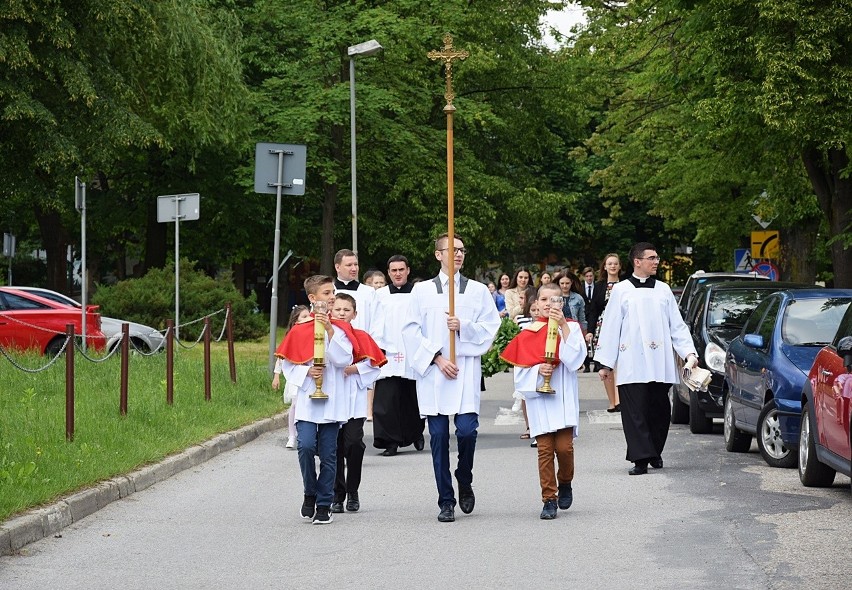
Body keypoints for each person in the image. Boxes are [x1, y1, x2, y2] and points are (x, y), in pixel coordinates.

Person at [402, 233, 500, 523]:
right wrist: (436, 358)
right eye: (451, 250)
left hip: (465, 371)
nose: (458, 254)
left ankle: (464, 476)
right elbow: (410, 330)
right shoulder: (421, 291)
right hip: (434, 374)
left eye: (461, 250)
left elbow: (491, 326)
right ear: (437, 255)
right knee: (439, 437)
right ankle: (446, 500)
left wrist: (464, 327)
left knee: (467, 431)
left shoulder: (478, 291)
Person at [593, 243, 698, 476]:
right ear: (637, 261)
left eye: (657, 257)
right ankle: (640, 458)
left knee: (660, 410)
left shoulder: (663, 290)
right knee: (635, 411)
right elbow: (611, 326)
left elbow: (676, 325)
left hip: (659, 361)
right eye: (651, 258)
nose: (656, 261)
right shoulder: (621, 290)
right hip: (631, 361)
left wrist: (689, 353)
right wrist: (605, 363)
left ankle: (654, 451)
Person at [501, 282, 586, 519]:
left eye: (556, 300)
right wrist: (537, 370)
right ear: (536, 304)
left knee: (564, 448)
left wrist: (562, 328)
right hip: (540, 398)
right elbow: (520, 375)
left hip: (563, 398)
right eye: (545, 300)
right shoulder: (527, 334)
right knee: (545, 450)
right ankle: (549, 498)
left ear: (563, 303)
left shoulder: (572, 328)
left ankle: (565, 481)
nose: (550, 304)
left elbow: (576, 360)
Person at [275, 275, 353, 524]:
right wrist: (306, 371)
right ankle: (310, 491)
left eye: (333, 292)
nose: (332, 297)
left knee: (329, 454)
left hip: (332, 399)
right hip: (309, 398)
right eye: (327, 293)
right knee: (306, 446)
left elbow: (344, 359)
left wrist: (330, 330)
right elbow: (288, 364)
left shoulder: (340, 328)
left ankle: (323, 502)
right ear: (312, 298)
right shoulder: (300, 330)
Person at [329, 293, 386, 514]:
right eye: (338, 309)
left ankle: (353, 490)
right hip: (332, 399)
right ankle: (337, 494)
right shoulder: (325, 334)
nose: (342, 313)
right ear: (331, 311)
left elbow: (376, 364)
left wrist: (355, 369)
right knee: (333, 446)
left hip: (353, 398)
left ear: (355, 314)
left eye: (347, 310)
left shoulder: (361, 336)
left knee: (353, 443)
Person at [371, 255, 426, 457]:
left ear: (408, 270)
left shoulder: (419, 293)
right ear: (388, 273)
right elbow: (376, 323)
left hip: (413, 352)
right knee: (386, 400)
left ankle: (415, 433)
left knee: (413, 397)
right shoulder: (381, 295)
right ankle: (390, 441)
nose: (398, 273)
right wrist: (379, 346)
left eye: (401, 270)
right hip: (389, 352)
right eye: (393, 270)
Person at [587, 253, 624, 412]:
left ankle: (620, 400)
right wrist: (589, 331)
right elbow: (593, 311)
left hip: (623, 327)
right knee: (606, 365)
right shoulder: (600, 286)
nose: (613, 266)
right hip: (603, 328)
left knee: (621, 365)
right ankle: (612, 401)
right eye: (610, 264)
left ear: (620, 266)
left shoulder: (626, 285)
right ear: (605, 266)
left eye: (615, 263)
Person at [272, 305, 311, 449]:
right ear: (296, 321)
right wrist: (277, 376)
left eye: (309, 316)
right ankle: (292, 435)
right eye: (304, 317)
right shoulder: (291, 336)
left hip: (308, 376)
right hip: (295, 376)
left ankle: (303, 434)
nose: (308, 319)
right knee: (295, 404)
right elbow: (282, 358)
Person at [334, 249, 375, 333]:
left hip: (361, 343)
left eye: (356, 264)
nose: (354, 269)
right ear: (337, 267)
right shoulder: (328, 292)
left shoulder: (368, 292)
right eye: (349, 265)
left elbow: (377, 322)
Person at [580, 266, 596, 371]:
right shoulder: (581, 288)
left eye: (591, 276)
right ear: (584, 277)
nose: (589, 278)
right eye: (587, 276)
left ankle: (596, 364)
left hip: (594, 315)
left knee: (594, 339)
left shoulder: (598, 287)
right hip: (584, 315)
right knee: (584, 339)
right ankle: (586, 364)